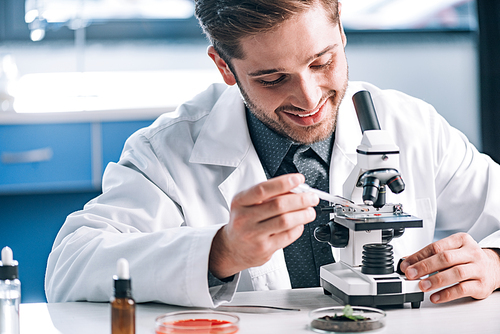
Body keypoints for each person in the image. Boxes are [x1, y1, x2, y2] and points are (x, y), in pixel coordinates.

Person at [45, 0, 500, 307]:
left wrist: (493, 263)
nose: (308, 98)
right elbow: (69, 269)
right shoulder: (168, 151)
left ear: (340, 31)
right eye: (272, 78)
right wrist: (221, 250)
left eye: (321, 63)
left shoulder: (411, 124)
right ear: (225, 66)